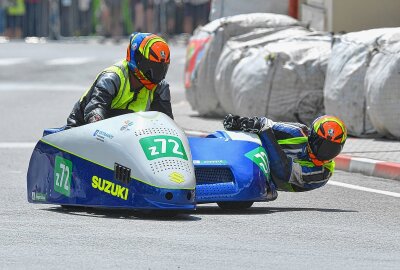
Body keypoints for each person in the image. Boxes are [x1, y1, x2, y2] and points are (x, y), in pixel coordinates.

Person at [66, 32, 172, 128]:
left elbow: (166, 123)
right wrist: (96, 120)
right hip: (81, 128)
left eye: (161, 68)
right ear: (137, 59)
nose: (156, 75)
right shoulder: (111, 78)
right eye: (152, 67)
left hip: (127, 135)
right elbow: (96, 108)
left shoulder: (160, 88)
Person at [223, 114, 347, 193]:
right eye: (321, 144)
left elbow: (283, 172)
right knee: (256, 130)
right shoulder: (297, 132)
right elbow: (266, 124)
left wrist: (265, 130)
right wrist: (241, 122)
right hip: (251, 151)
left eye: (332, 149)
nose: (325, 152)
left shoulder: (322, 173)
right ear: (312, 136)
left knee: (265, 132)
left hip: (270, 179)